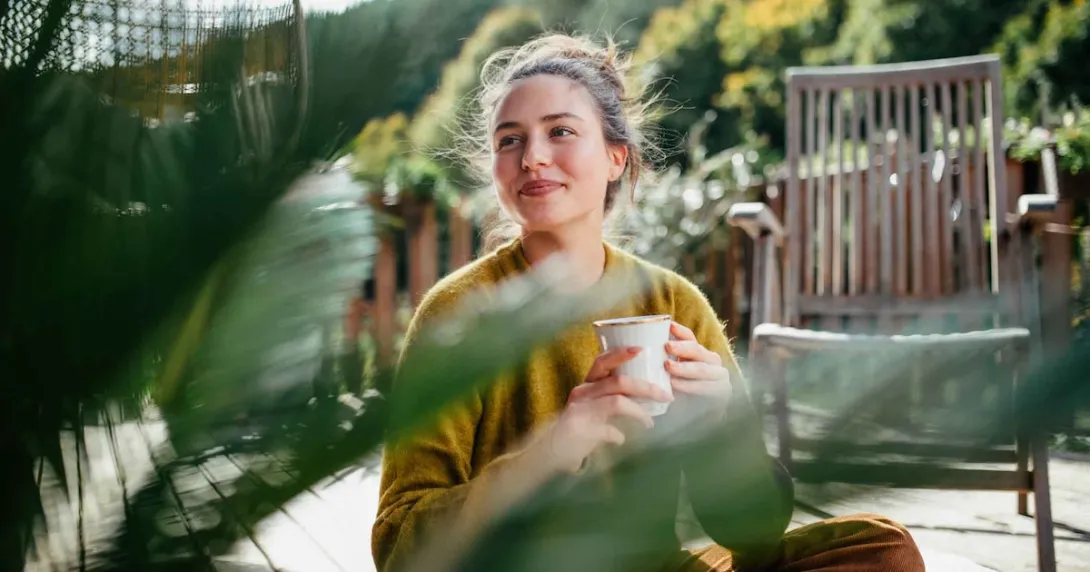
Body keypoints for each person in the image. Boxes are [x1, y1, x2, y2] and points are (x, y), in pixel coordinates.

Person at [371, 32, 926, 572]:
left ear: (616, 158)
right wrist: (552, 451)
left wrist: (719, 427)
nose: (533, 157)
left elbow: (751, 536)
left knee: (883, 551)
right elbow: (399, 549)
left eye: (560, 131)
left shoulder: (674, 304)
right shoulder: (458, 314)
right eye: (509, 140)